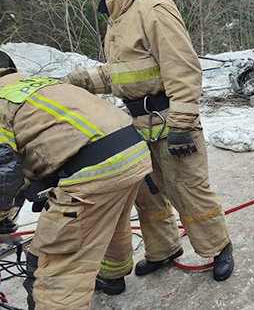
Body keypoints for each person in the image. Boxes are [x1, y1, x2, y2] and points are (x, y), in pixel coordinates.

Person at [68, 0, 234, 282]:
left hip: (171, 119)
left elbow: (182, 67)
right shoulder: (118, 19)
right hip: (137, 123)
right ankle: (164, 249)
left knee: (187, 188)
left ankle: (218, 246)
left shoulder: (153, 7)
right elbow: (125, 74)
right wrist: (80, 81)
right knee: (149, 194)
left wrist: (183, 123)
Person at [0, 51, 152, 308]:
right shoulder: (39, 83)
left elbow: (4, 175)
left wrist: (3, 216)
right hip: (134, 150)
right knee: (110, 221)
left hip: (94, 168)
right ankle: (112, 276)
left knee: (55, 262)